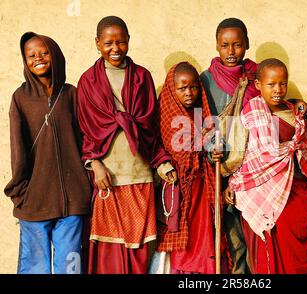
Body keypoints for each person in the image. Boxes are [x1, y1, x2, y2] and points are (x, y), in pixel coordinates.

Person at [200, 17, 307, 274]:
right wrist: (209, 147)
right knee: (232, 237)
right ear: (216, 46)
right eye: (224, 45)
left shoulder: (256, 74)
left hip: (260, 170)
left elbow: (276, 103)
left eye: (237, 45)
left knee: (258, 241)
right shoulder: (207, 80)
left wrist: (301, 105)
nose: (231, 52)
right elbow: (202, 122)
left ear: (247, 44)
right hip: (223, 167)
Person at [77, 16, 177, 274]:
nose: (115, 48)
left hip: (139, 173)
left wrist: (161, 163)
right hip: (108, 175)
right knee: (109, 249)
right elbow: (87, 131)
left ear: (129, 41)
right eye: (108, 43)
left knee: (140, 248)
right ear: (97, 43)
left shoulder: (142, 77)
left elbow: (150, 129)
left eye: (121, 42)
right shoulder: (88, 81)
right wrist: (95, 164)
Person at [4, 32, 91, 274]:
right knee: (35, 267)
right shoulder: (20, 98)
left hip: (72, 202)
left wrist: (85, 185)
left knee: (70, 267)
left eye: (44, 52)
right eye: (30, 55)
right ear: (25, 61)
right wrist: (21, 193)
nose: (38, 58)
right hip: (34, 201)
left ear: (55, 55)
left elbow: (85, 139)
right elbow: (17, 149)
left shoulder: (71, 94)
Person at [229, 58, 307, 274]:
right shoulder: (251, 114)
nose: (278, 90)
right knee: (267, 262)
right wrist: (234, 183)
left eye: (282, 83)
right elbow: (244, 158)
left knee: (298, 262)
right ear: (258, 86)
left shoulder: (297, 114)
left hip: (298, 198)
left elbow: (306, 157)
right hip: (263, 197)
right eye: (271, 84)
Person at [156, 62, 227, 273]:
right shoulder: (166, 112)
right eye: (182, 88)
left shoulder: (201, 113)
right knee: (180, 246)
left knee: (204, 239)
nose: (189, 93)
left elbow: (211, 140)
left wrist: (213, 150)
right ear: (172, 89)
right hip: (178, 190)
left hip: (203, 189)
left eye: (194, 87)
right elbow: (169, 147)